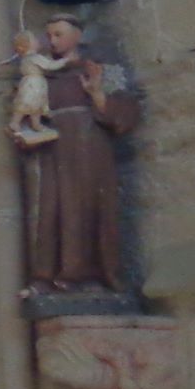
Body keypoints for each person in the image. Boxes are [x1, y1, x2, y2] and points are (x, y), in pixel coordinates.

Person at [17, 15, 138, 297]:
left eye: (59, 34)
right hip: (54, 149)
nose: (52, 40)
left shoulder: (100, 69)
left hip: (89, 147)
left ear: (78, 36)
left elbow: (124, 114)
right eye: (49, 35)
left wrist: (96, 93)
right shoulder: (43, 73)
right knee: (51, 211)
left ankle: (87, 276)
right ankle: (46, 276)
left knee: (86, 207)